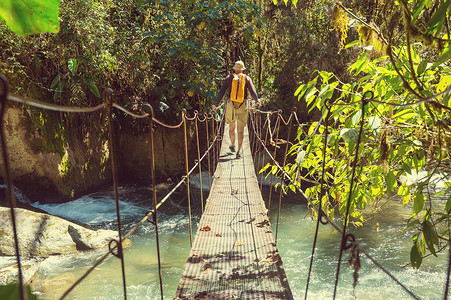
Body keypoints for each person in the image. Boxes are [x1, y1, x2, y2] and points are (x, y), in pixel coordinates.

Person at [212, 60, 261, 158]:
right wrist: (257, 100)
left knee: (231, 127)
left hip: (231, 104)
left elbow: (221, 92)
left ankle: (233, 145)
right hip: (243, 105)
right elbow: (252, 91)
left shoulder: (229, 78)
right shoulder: (247, 78)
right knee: (241, 130)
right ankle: (239, 152)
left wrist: (216, 104)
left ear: (234, 69)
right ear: (242, 69)